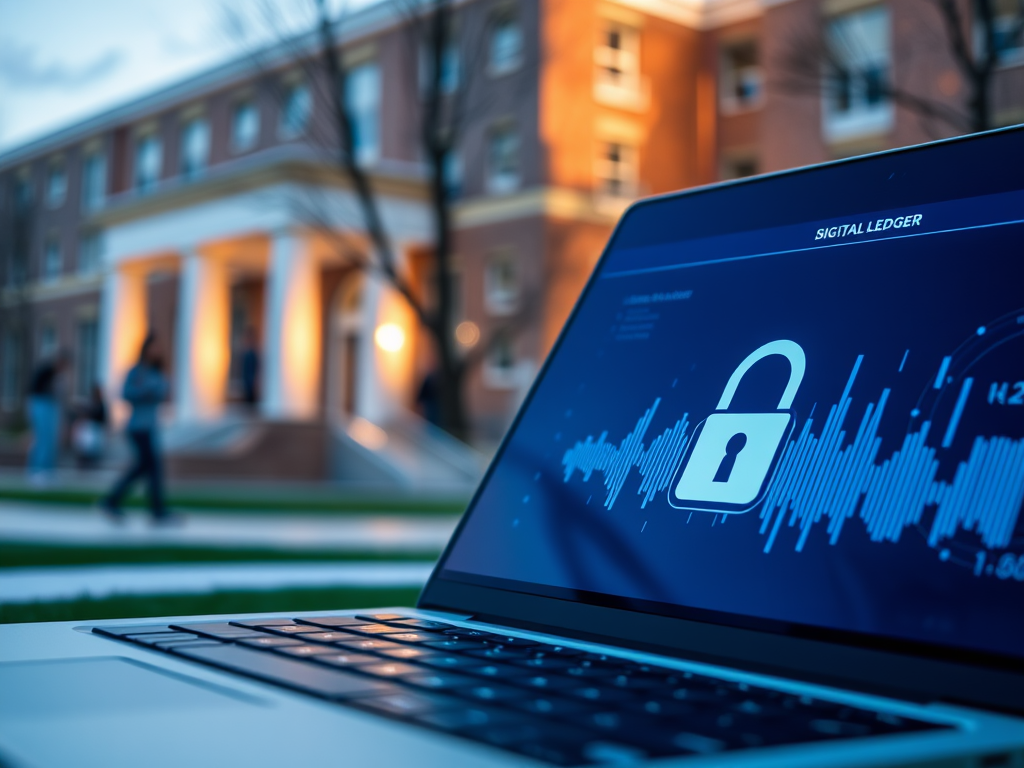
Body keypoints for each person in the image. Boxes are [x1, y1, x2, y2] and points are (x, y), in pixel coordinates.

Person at [102, 333, 177, 524]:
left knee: (148, 468)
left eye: (158, 347)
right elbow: (126, 393)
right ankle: (153, 510)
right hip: (137, 426)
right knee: (149, 467)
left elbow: (164, 393)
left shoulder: (158, 373)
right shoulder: (136, 372)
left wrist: (155, 390)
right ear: (145, 348)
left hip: (151, 427)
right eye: (153, 346)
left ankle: (116, 502)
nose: (156, 350)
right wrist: (144, 391)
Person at [26, 351, 69, 486]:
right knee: (43, 438)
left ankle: (48, 470)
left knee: (51, 438)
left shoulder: (55, 374)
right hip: (41, 404)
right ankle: (36, 470)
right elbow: (38, 390)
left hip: (49, 406)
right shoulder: (46, 371)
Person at [72, 383, 108, 469]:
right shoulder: (92, 402)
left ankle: (91, 464)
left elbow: (101, 416)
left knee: (93, 447)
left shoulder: (100, 403)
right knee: (86, 446)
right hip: (90, 427)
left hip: (96, 427)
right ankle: (84, 464)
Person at [240, 326, 260, 409]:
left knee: (251, 404)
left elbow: (256, 368)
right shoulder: (246, 353)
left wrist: (255, 381)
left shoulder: (253, 354)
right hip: (246, 382)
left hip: (251, 382)